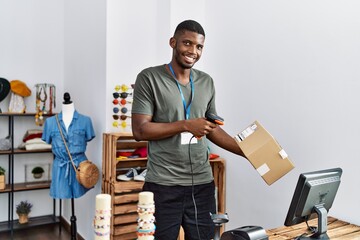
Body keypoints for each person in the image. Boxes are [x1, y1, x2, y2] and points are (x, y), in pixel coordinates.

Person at [132, 20, 246, 240]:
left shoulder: (206, 82)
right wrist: (185, 124)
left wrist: (247, 152)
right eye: (187, 43)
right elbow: (140, 130)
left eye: (199, 46)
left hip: (202, 185)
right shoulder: (149, 78)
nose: (193, 51)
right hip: (163, 185)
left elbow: (211, 129)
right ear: (173, 42)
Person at [42, 93, 95, 199]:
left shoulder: (85, 121)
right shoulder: (50, 122)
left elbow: (90, 136)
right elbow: (47, 139)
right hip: (60, 166)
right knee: (61, 192)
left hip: (80, 167)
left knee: (78, 190)